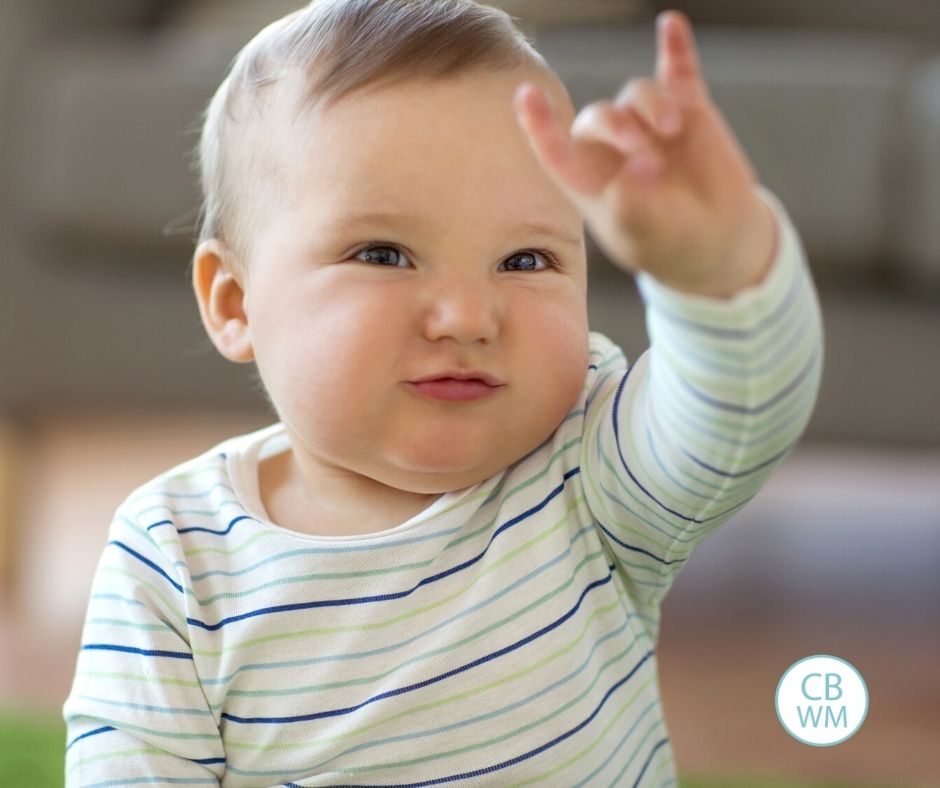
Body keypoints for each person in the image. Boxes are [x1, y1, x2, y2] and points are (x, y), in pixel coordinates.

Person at [62, 1, 823, 784]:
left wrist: (721, 266)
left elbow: (740, 414)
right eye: (385, 253)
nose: (467, 316)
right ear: (233, 300)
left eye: (526, 260)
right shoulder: (173, 556)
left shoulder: (584, 470)